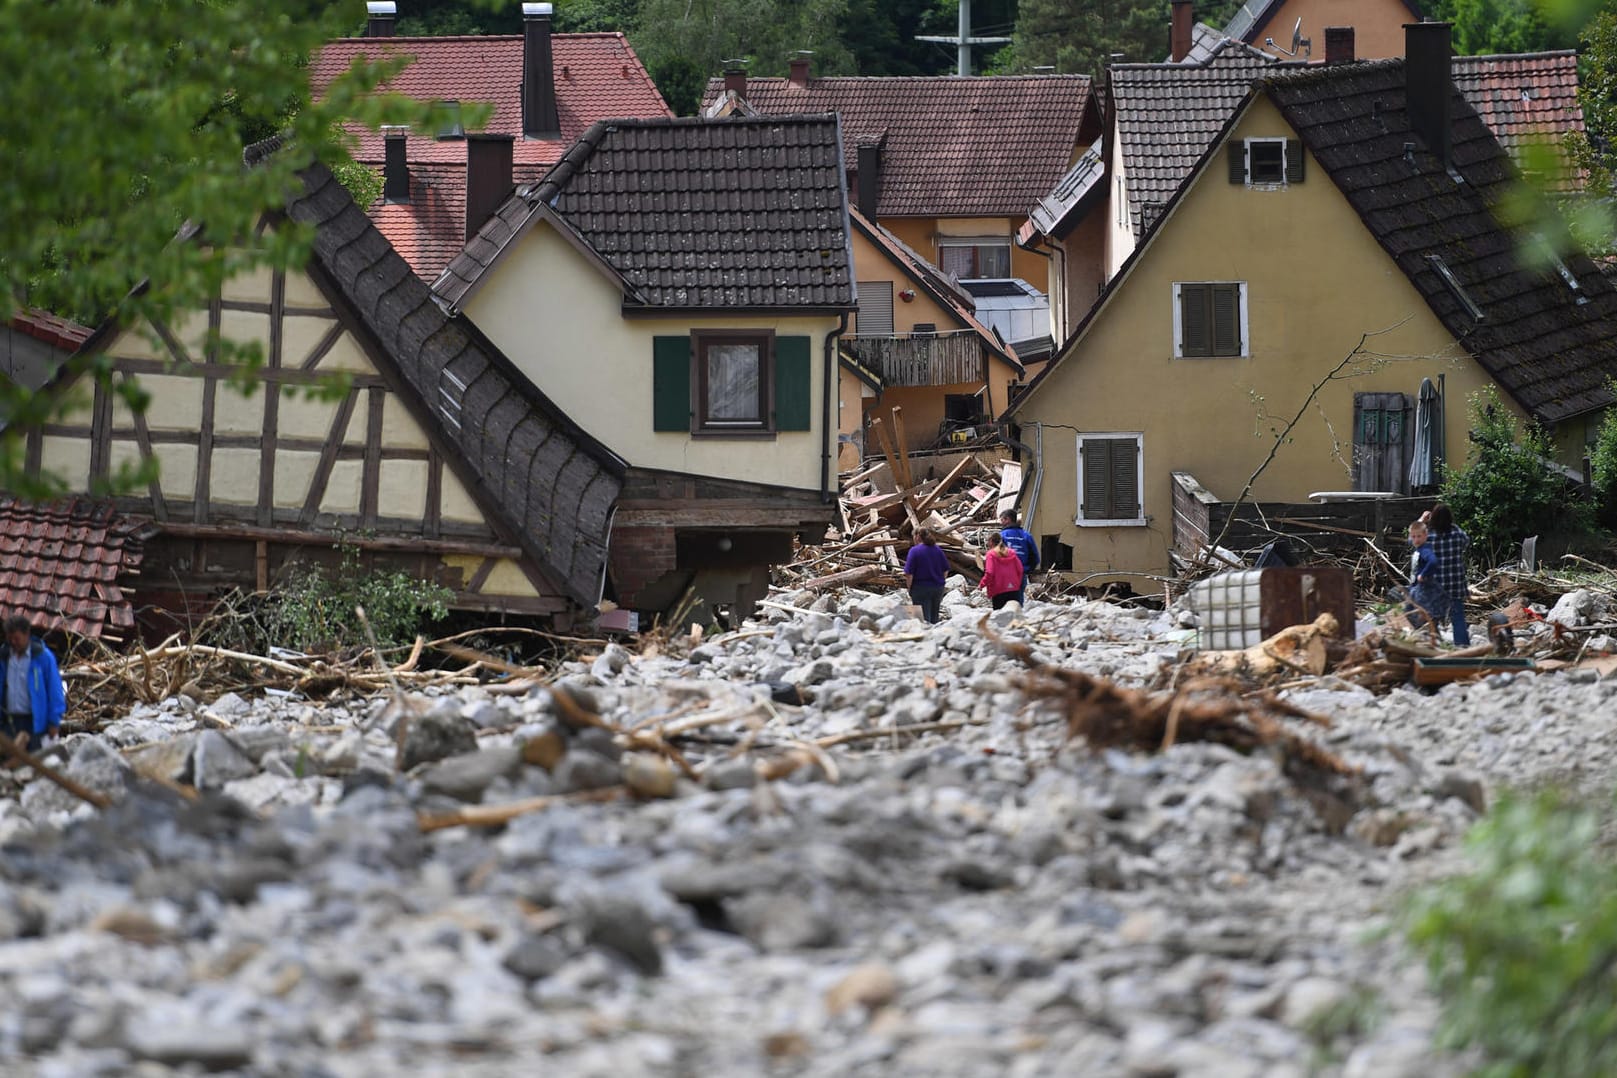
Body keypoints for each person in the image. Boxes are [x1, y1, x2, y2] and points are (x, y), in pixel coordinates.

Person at [1, 615, 64, 751]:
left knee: (31, 764)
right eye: (10, 638)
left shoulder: (42, 657)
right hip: (8, 721)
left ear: (27, 634)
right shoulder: (4, 657)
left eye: (16, 638)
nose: (13, 642)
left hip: (34, 722)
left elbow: (55, 690)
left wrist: (54, 721)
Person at [1423, 504, 1472, 645]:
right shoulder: (1456, 533)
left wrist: (1422, 520)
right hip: (1455, 584)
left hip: (1434, 585)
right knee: (1458, 617)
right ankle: (1462, 645)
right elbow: (1466, 541)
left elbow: (1412, 540)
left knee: (1432, 617)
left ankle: (1435, 645)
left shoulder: (1428, 536)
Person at [1403, 521, 1449, 631]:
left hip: (1424, 588)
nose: (1416, 539)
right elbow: (1411, 538)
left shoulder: (1425, 550)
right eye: (1413, 537)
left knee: (1420, 612)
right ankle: (1427, 631)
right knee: (1409, 610)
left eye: (1419, 536)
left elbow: (1433, 561)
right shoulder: (1418, 546)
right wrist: (1422, 519)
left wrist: (1423, 574)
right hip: (1415, 587)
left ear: (1425, 535)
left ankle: (1429, 632)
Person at [903, 528, 950, 624]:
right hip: (937, 588)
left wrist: (909, 588)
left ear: (917, 537)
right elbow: (945, 570)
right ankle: (935, 636)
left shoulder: (914, 551)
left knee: (922, 620)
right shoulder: (937, 549)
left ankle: (925, 636)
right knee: (934, 617)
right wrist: (940, 581)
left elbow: (909, 574)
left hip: (920, 588)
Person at [980, 531, 1027, 611]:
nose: (987, 543)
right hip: (1013, 589)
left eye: (988, 541)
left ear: (991, 541)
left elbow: (990, 573)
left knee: (1000, 618)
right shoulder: (1012, 552)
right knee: (1014, 617)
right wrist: (1017, 584)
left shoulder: (991, 554)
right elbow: (1020, 570)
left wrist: (981, 584)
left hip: (998, 591)